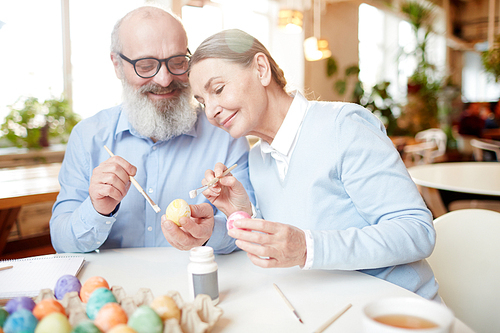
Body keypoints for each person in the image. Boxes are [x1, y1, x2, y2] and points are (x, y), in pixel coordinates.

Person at [188, 29, 439, 300]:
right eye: (202, 102)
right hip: (328, 308)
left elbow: (417, 231)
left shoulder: (344, 127)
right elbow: (289, 239)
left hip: (397, 311)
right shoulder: (258, 158)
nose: (211, 111)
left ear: (261, 69)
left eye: (218, 89)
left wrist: (307, 248)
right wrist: (241, 213)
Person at [49, 8, 254, 254]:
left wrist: (211, 233)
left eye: (178, 62)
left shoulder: (225, 133)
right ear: (117, 65)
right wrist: (96, 209)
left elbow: (249, 227)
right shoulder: (87, 137)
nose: (165, 79)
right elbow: (61, 243)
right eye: (146, 66)